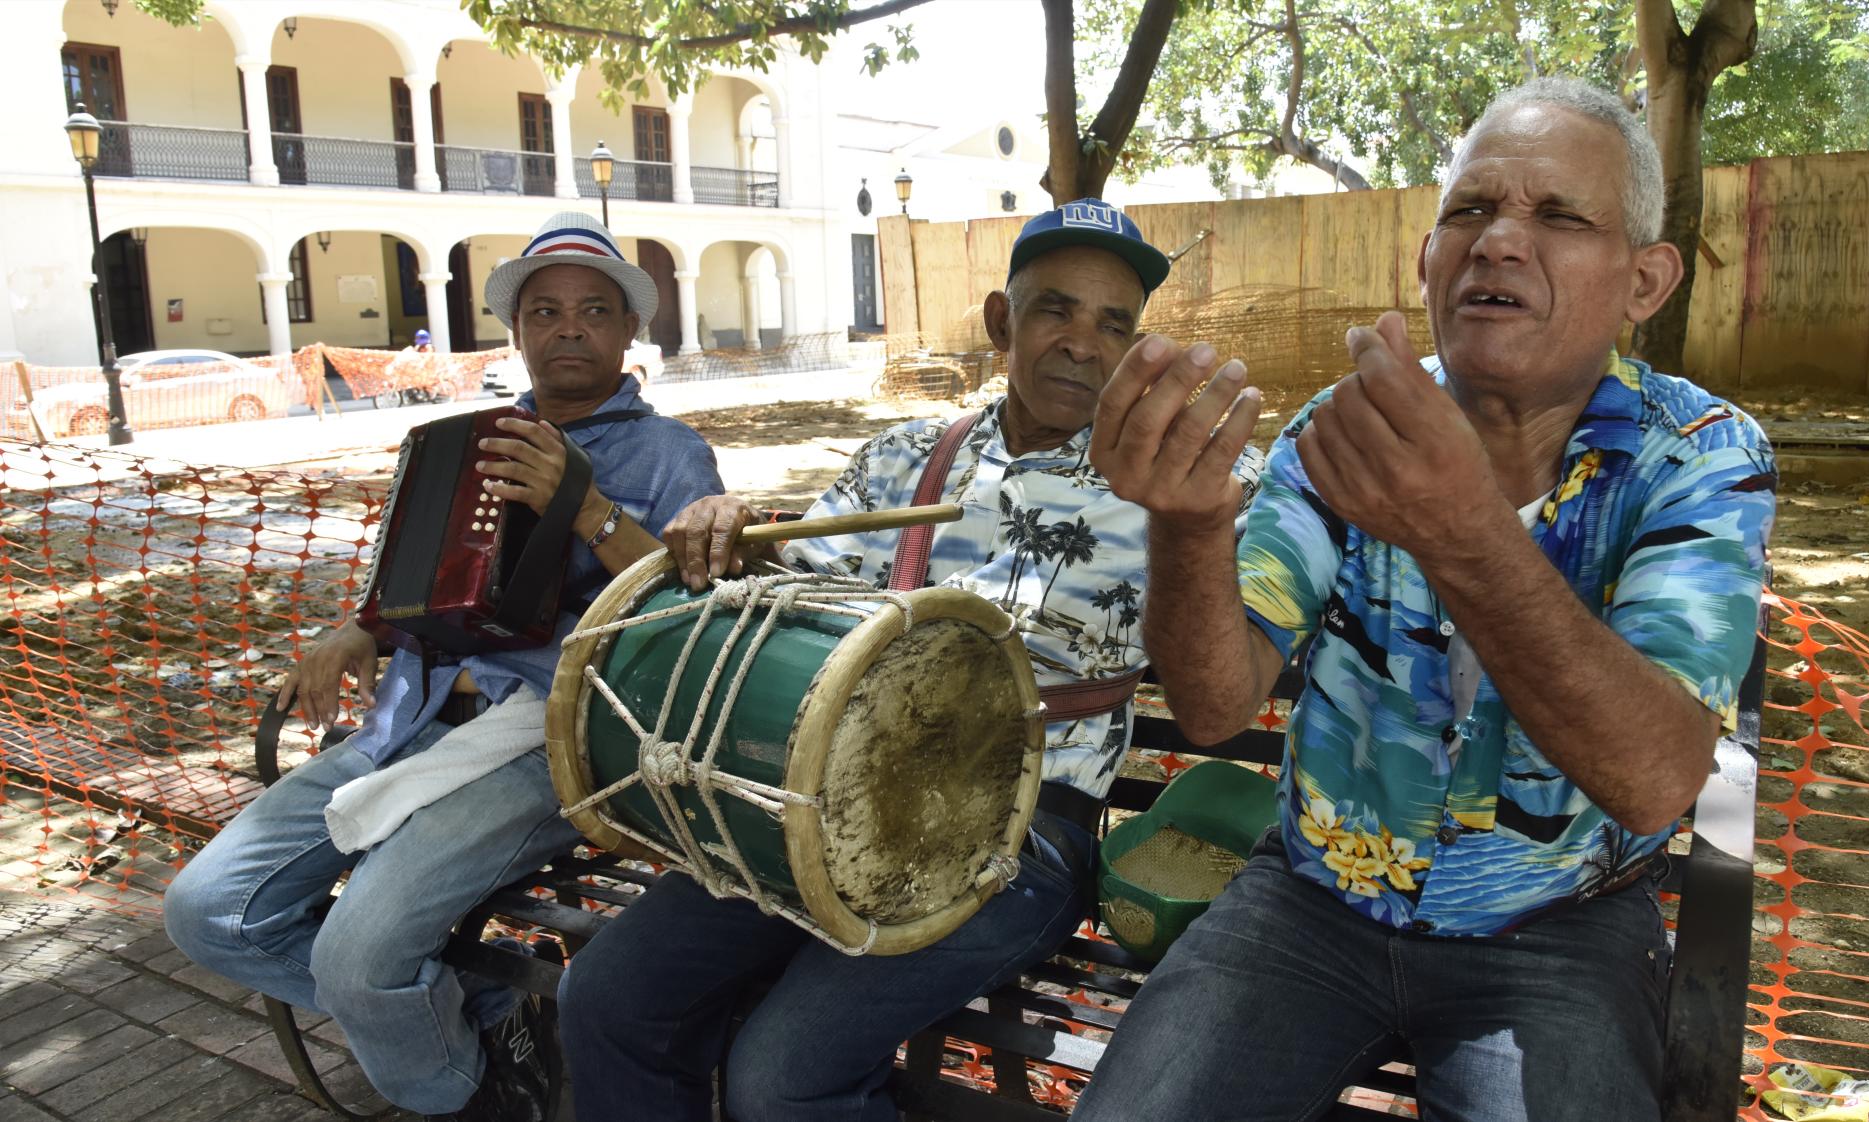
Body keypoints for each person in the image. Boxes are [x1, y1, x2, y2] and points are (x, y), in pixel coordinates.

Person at [1076, 78, 1776, 1122]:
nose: (1497, 241)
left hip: (1555, 927)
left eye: (1556, 217)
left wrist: (1463, 531)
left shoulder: (1701, 457)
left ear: (1643, 280)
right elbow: (1218, 706)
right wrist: (1185, 527)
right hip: (1309, 905)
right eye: (1469, 210)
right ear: (1424, 260)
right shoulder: (1340, 428)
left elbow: (1651, 781)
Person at [556, 199, 1265, 1122]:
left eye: (1114, 325)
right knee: (607, 1002)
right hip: (828, 792)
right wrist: (730, 532)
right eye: (1055, 310)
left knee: (781, 1078)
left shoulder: (1182, 489)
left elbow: (1230, 662)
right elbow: (789, 584)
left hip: (1023, 832)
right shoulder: (906, 458)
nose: (1083, 345)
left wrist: (1192, 519)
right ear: (1002, 322)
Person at [165, 212, 725, 1122]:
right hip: (412, 716)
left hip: (555, 740)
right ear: (520, 331)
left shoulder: (670, 453)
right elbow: (427, 574)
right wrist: (362, 628)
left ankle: (467, 1100)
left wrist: (579, 505)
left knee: (359, 957)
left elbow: (694, 614)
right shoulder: (473, 437)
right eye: (545, 311)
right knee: (205, 910)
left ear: (628, 332)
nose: (569, 327)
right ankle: (484, 1016)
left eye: (593, 310)